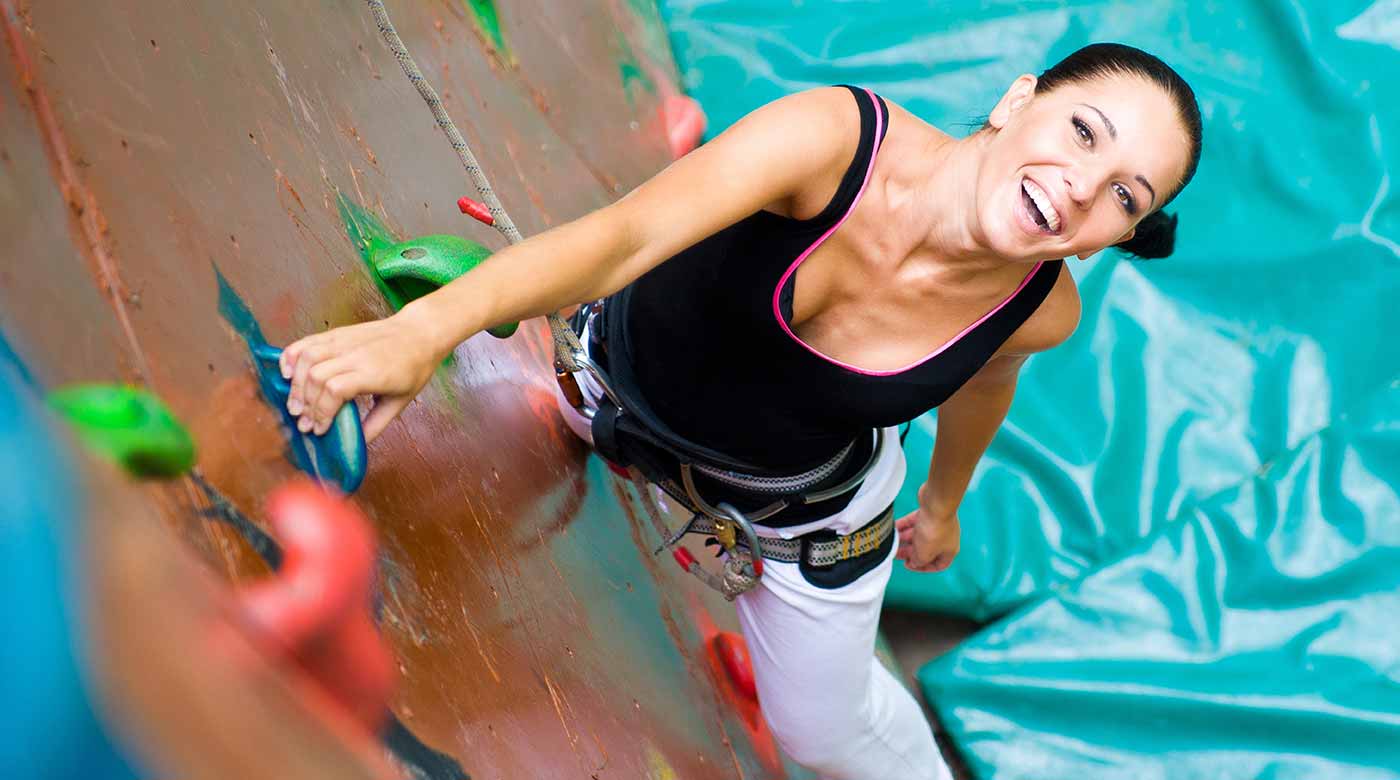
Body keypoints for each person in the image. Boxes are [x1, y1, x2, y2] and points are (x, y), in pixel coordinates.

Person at [279, 42, 1202, 780]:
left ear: (1118, 234)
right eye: (1084, 132)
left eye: (1127, 194)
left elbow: (989, 380)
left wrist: (947, 501)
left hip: (795, 524)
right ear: (1016, 101)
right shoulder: (836, 141)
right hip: (603, 386)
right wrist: (429, 328)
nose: (1085, 185)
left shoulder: (1043, 309)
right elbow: (625, 237)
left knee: (824, 737)